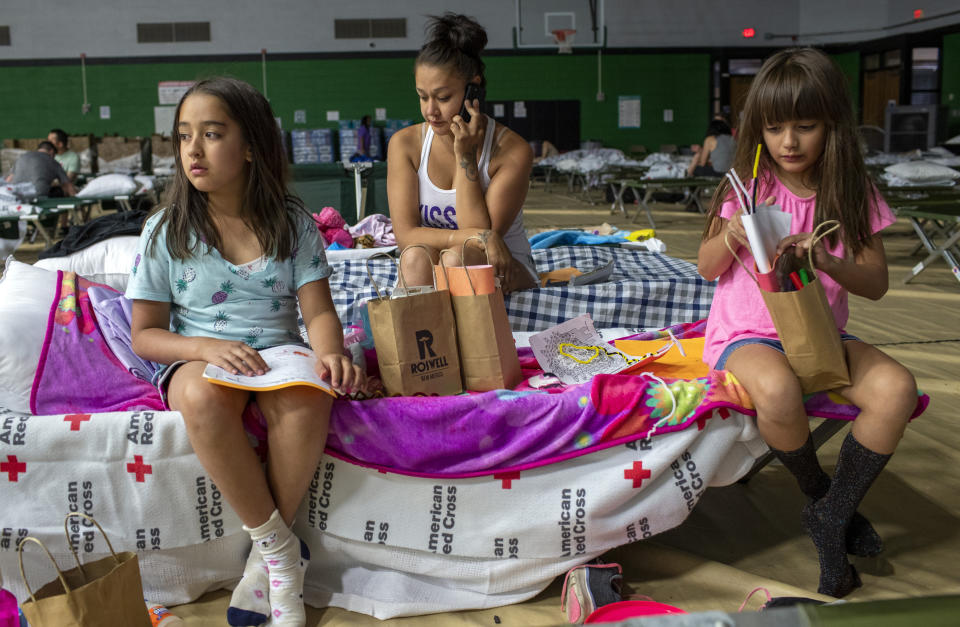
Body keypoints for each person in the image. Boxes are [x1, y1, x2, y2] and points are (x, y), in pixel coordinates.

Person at [126, 77, 365, 627]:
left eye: (211, 134)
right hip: (198, 355)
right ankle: (281, 552)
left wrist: (330, 354)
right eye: (184, 135)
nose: (193, 149)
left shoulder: (293, 224)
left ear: (252, 145)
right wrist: (205, 347)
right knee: (203, 398)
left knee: (308, 397)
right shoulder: (166, 229)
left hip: (279, 352)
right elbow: (146, 334)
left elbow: (320, 314)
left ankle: (264, 565)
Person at [697, 48, 918, 598]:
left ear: (833, 126)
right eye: (775, 128)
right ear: (759, 131)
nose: (789, 142)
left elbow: (876, 283)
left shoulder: (851, 192)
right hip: (746, 336)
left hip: (820, 336)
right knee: (775, 387)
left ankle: (832, 515)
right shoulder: (748, 187)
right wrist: (734, 233)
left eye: (805, 126)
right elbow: (705, 269)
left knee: (896, 389)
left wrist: (826, 259)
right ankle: (819, 489)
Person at [387, 12, 537, 294]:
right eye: (422, 96)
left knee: (457, 258)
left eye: (443, 98)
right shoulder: (404, 144)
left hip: (502, 267)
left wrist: (465, 155)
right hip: (440, 261)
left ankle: (460, 335)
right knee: (415, 256)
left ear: (473, 91)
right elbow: (406, 236)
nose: (430, 110)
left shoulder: (512, 152)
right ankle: (421, 337)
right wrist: (476, 236)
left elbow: (480, 247)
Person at [5, 141, 76, 197]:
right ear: (51, 152)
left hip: (17, 195)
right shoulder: (53, 162)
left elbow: (9, 179)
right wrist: (78, 200)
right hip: (40, 196)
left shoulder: (21, 157)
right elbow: (68, 186)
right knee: (61, 190)